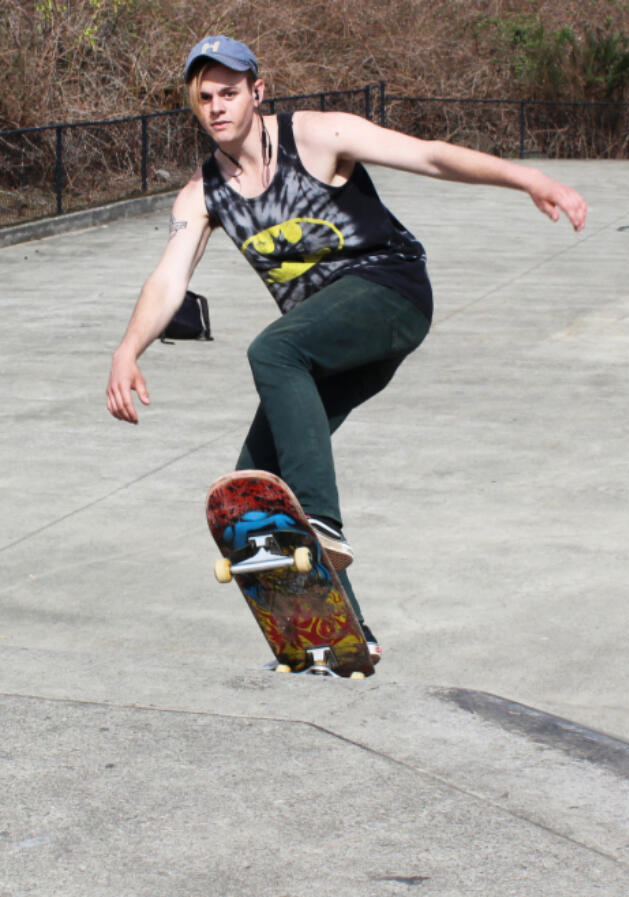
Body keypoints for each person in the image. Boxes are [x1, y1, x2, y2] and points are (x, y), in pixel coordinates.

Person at [106, 36, 587, 659]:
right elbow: (169, 279)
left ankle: (324, 525)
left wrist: (527, 177)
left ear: (257, 91)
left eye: (230, 92)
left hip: (391, 295)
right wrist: (127, 350)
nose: (218, 107)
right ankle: (346, 633)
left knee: (272, 352)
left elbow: (431, 157)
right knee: (254, 489)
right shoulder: (202, 196)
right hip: (328, 341)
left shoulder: (320, 136)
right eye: (205, 98)